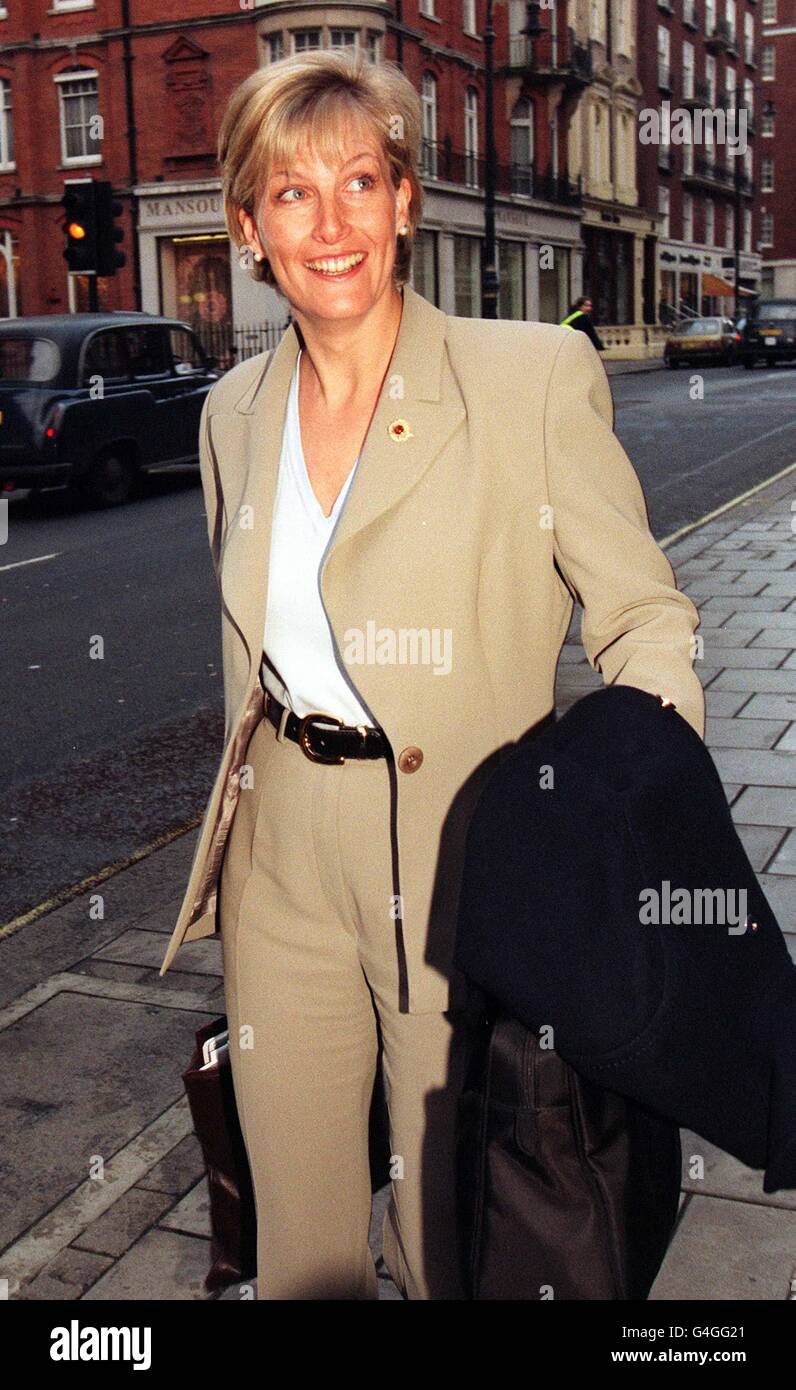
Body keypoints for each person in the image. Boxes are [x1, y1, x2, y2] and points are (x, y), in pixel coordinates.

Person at [159, 48, 705, 1300]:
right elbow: (254, 649)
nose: (331, 222)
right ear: (247, 227)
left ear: (408, 199)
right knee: (297, 1240)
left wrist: (624, 811)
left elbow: (642, 614)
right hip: (284, 857)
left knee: (454, 1230)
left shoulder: (525, 381)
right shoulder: (231, 410)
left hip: (468, 865)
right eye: (290, 194)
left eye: (361, 180)